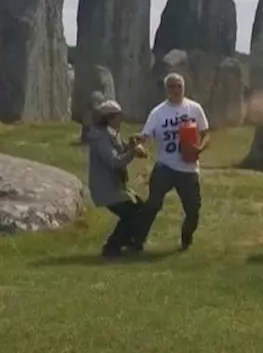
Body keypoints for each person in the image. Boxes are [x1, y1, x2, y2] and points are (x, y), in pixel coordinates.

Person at [134, 72, 210, 251]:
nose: (175, 90)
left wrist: (200, 148)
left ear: (184, 88)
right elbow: (145, 135)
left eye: (178, 86)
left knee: (193, 210)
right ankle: (137, 241)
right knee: (152, 205)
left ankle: (186, 239)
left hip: (189, 168)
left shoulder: (194, 108)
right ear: (166, 89)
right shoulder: (158, 112)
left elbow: (206, 133)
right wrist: (138, 142)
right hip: (165, 167)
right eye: (171, 87)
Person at [84, 99, 149, 259]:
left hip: (116, 186)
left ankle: (131, 241)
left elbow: (119, 153)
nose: (121, 120)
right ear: (109, 118)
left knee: (140, 208)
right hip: (106, 188)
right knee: (130, 214)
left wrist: (130, 145)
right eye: (118, 117)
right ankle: (112, 247)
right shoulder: (101, 138)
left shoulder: (111, 134)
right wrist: (133, 152)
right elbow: (114, 162)